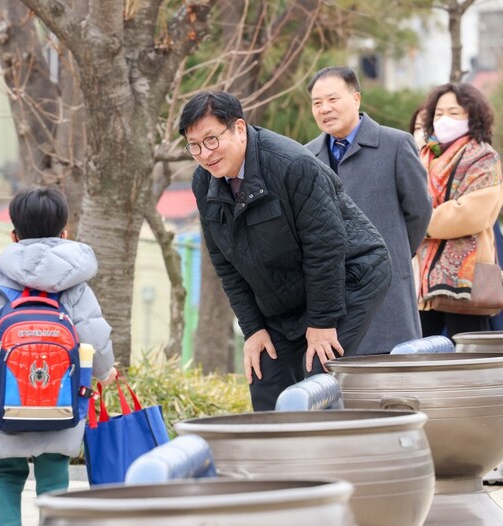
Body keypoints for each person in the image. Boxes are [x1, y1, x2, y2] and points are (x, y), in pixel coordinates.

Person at [180, 90, 391, 412]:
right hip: (284, 289)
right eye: (194, 146)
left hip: (349, 276)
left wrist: (322, 323)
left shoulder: (292, 165)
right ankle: (277, 460)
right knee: (264, 373)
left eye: (211, 140)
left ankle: (332, 458)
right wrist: (253, 329)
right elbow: (225, 261)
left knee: (316, 380)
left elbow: (325, 248)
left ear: (238, 128)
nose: (204, 154)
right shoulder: (204, 181)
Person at [0, 186, 117, 526]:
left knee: (7, 473)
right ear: (64, 233)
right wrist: (105, 371)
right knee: (54, 475)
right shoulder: (76, 288)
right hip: (61, 401)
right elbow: (94, 337)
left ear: (13, 235)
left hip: (2, 401)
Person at [305, 66, 431, 355]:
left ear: (356, 98)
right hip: (332, 294)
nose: (325, 109)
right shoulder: (306, 156)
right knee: (341, 383)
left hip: (388, 292)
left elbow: (419, 212)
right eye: (317, 103)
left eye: (333, 99)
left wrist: (391, 253)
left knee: (393, 379)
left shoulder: (396, 144)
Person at [416, 82, 503, 338]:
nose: (444, 119)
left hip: (467, 281)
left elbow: (470, 214)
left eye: (454, 113)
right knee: (420, 352)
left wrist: (419, 222)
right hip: (422, 279)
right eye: (439, 113)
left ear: (472, 116)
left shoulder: (483, 156)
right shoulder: (423, 156)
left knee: (467, 351)